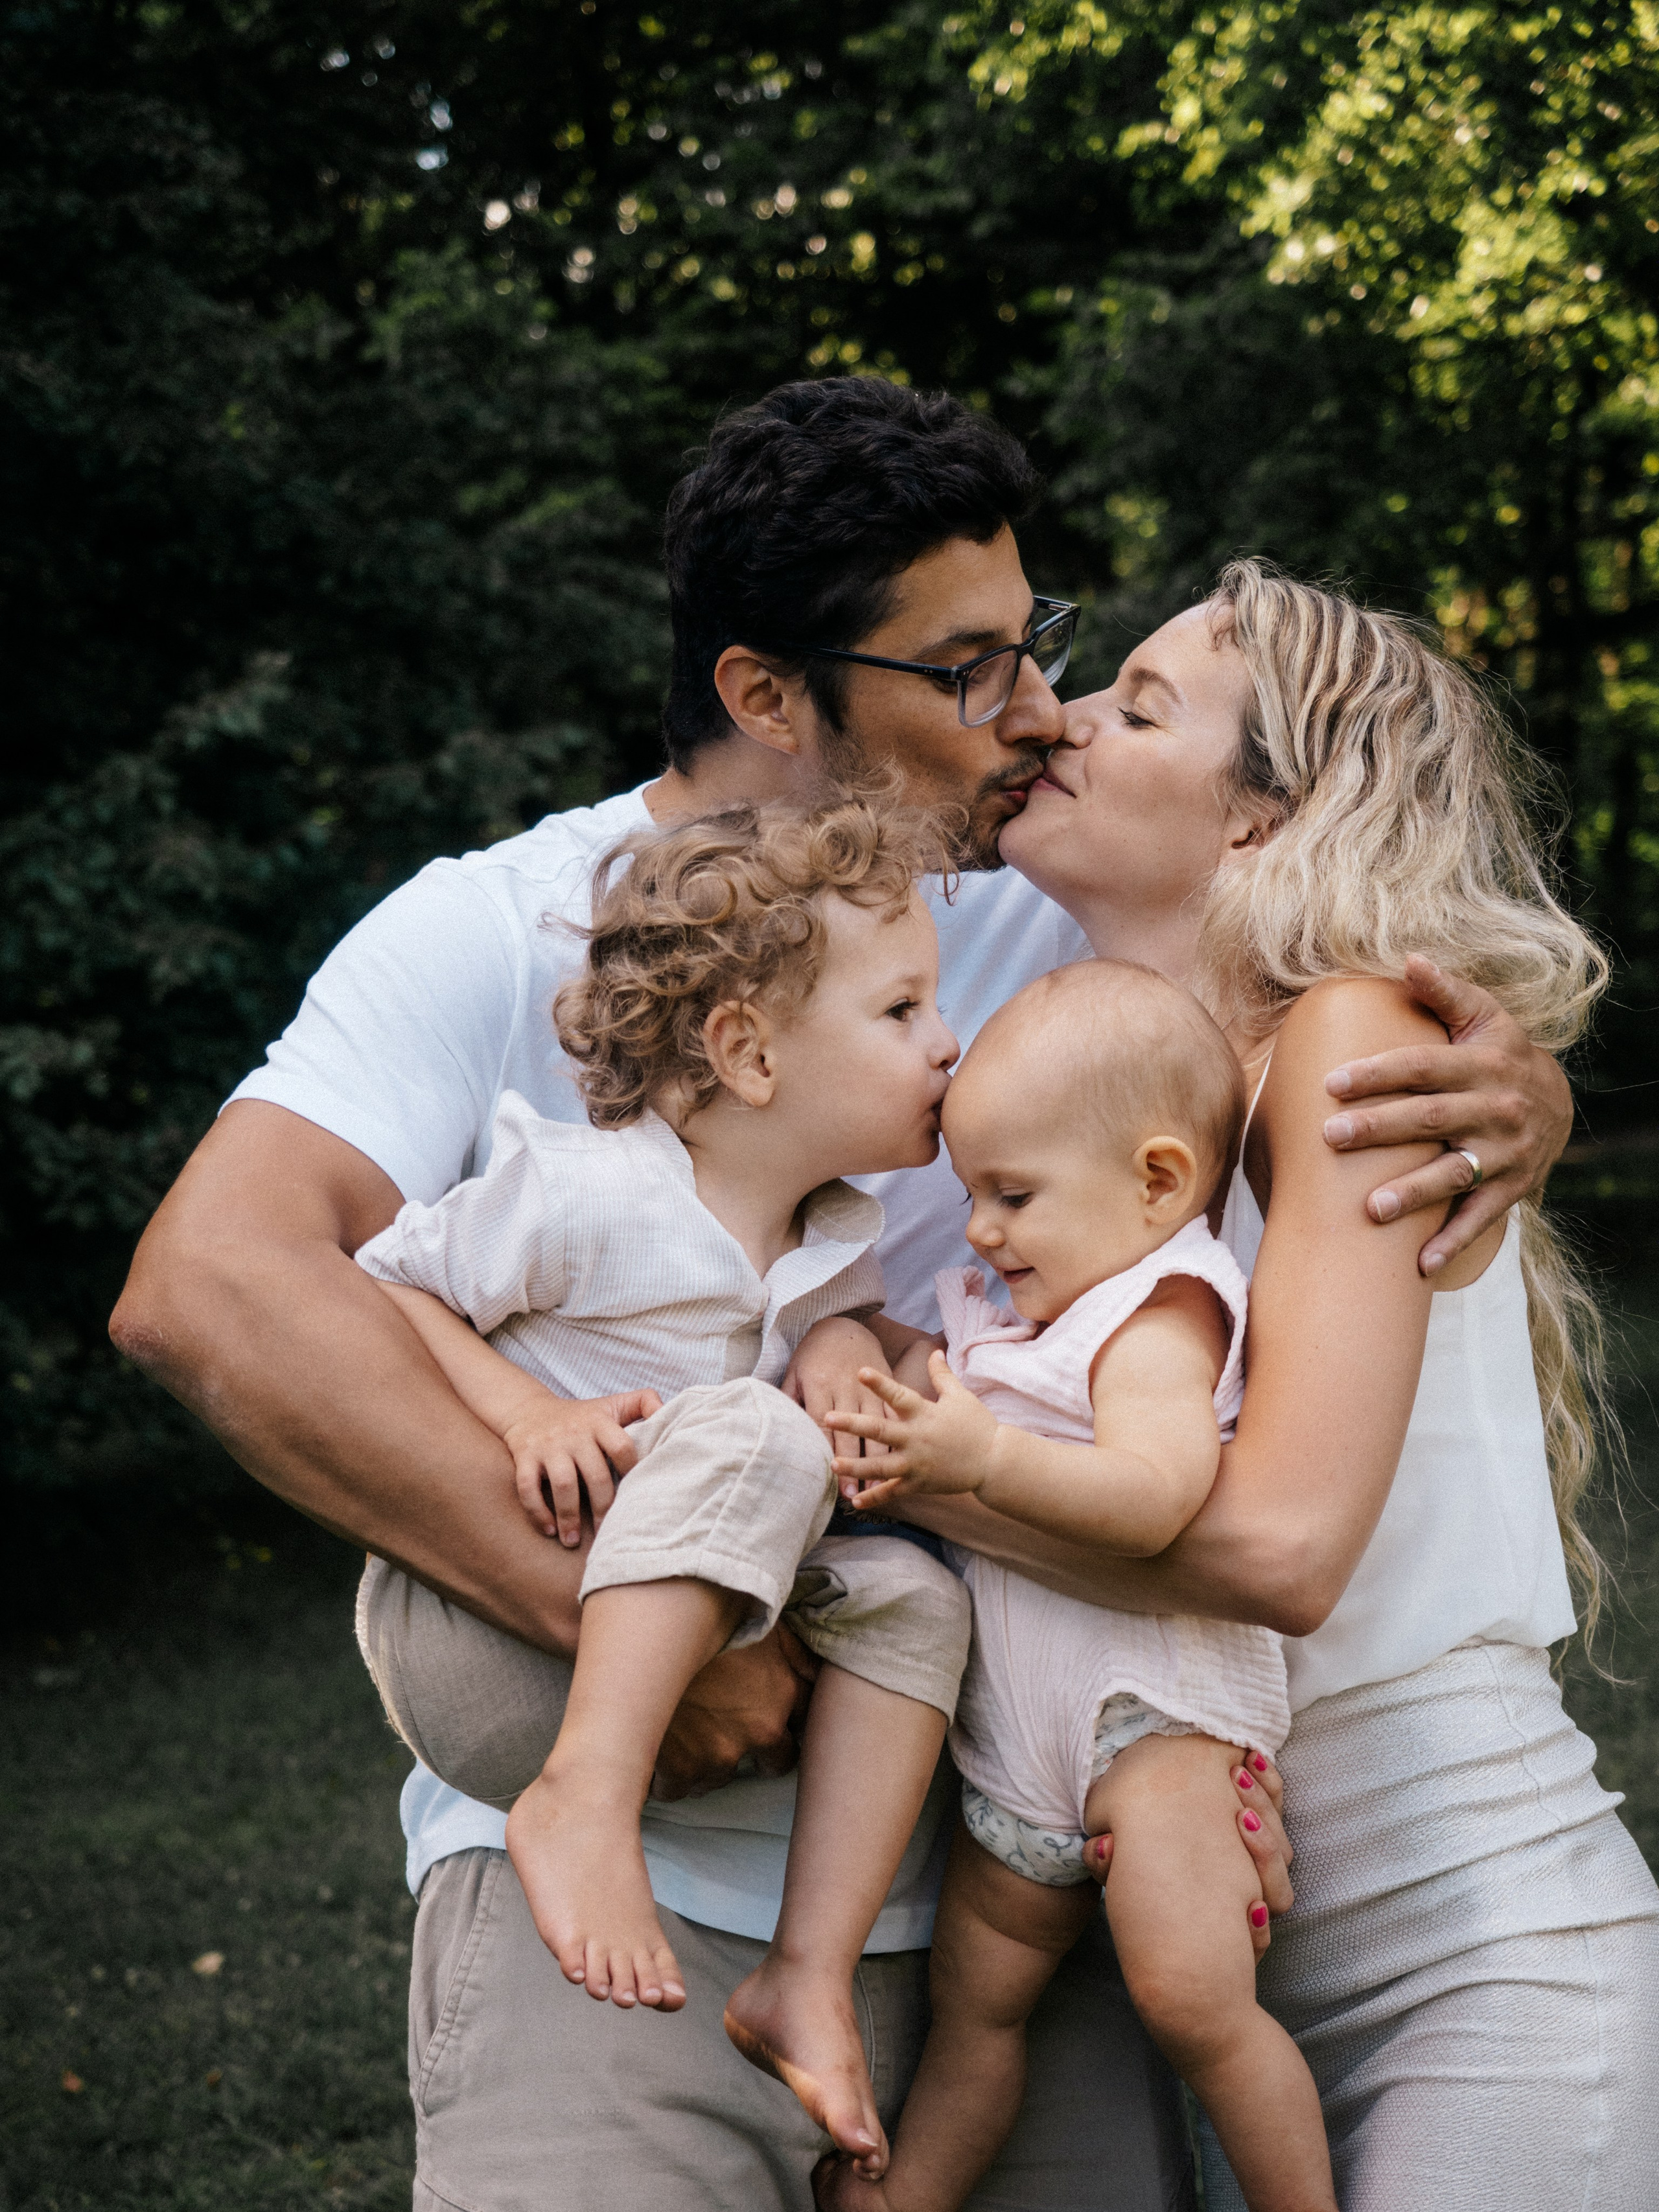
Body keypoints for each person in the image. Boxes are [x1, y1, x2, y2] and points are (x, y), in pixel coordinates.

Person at [108, 380, 1574, 2211]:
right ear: (766, 692)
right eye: (967, 667)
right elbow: (217, 1281)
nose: (1036, 708)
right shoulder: (504, 926)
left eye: (1032, 642)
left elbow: (1315, 968)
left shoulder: (1036, 898)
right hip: (639, 1933)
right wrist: (635, 1629)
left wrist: (1516, 1082)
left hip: (1023, 1913)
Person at [874, 558, 1659, 2209]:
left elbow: (1280, 1551)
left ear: (1263, 817)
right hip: (1244, 1981)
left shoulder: (1353, 1036)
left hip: (1475, 1970)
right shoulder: (1117, 1102)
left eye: (1138, 706)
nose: (1060, 720)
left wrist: (891, 1454)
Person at [353, 798, 973, 2176]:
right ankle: (583, 1799)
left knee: (918, 1603)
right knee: (756, 1437)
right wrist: (524, 1410)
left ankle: (805, 1970)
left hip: (707, 1574)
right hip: (509, 1609)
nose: (945, 1043)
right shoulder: (582, 1193)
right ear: (749, 1051)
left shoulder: (832, 1234)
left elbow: (826, 1343)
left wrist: (849, 1346)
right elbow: (383, 1290)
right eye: (901, 1011)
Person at [815, 958, 1330, 2212]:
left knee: (1193, 2000)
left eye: (1012, 1194)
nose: (981, 1230)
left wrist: (984, 1459)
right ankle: (909, 2194)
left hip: (1154, 1728)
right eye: (972, 1195)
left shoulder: (1160, 1314)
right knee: (978, 2007)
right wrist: (840, 1338)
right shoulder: (1022, 1321)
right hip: (1019, 1761)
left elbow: (1155, 1496)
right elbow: (911, 1357)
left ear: (1158, 1179)